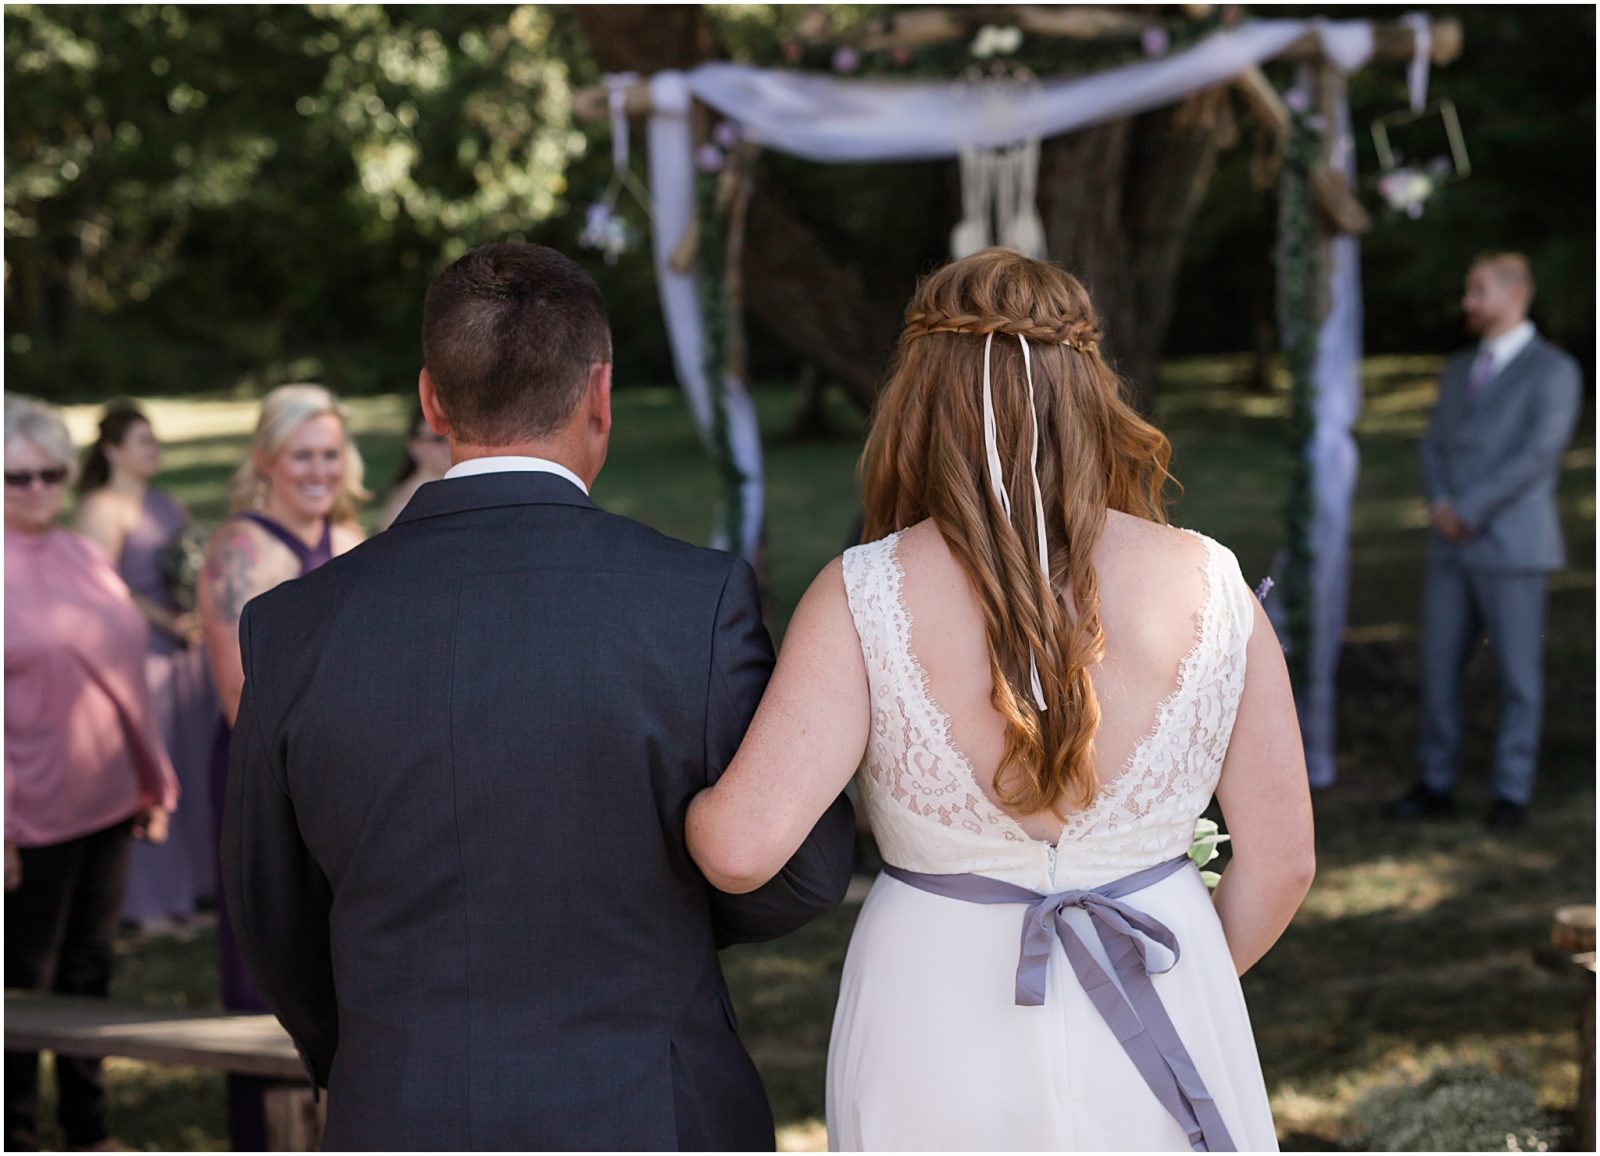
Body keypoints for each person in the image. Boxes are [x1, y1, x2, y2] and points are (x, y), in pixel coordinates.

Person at [221, 242, 855, 1150]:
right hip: (648, 1108)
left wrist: (375, 1053)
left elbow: (268, 911)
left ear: (433, 402)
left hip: (400, 1109)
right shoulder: (695, 601)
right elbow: (797, 873)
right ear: (600, 395)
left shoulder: (291, 625)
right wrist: (658, 912)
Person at [687, 249, 1316, 1151]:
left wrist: (671, 788)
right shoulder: (1210, 583)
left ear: (920, 403)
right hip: (1163, 982)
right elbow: (1285, 860)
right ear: (1091, 393)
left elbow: (742, 848)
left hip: (933, 1013)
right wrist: (1180, 976)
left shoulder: (863, 593)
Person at [4, 395, 179, 1152]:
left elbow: (125, 674)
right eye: (16, 478)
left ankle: (88, 1128)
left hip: (106, 798)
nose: (37, 489)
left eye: (50, 473)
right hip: (28, 815)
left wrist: (151, 778)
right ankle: (15, 1128)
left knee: (90, 973)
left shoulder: (79, 551)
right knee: (21, 990)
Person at [198, 382, 367, 1149]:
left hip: (345, 775)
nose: (318, 470)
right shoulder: (240, 549)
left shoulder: (352, 535)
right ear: (267, 457)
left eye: (330, 453)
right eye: (302, 454)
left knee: (347, 951)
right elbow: (241, 698)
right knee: (271, 944)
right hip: (266, 777)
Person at [1387, 253, 1582, 830]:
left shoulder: (1554, 371)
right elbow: (1432, 445)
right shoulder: (1457, 368)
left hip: (1514, 545)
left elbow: (1537, 456)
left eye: (1478, 291)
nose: (1468, 302)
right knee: (1439, 668)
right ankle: (1435, 781)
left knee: (1519, 676)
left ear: (1515, 292)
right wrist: (1442, 504)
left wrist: (1466, 509)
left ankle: (1510, 790)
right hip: (1451, 546)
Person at [74, 403, 219, 930]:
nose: (154, 450)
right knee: (155, 776)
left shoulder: (169, 503)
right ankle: (150, 902)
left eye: (156, 440)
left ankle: (198, 886)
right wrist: (165, 620)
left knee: (193, 767)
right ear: (112, 450)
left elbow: (191, 562)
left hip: (186, 651)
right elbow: (101, 586)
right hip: (143, 652)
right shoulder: (100, 507)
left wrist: (196, 610)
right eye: (143, 442)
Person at [380, 400, 452, 529]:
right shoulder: (405, 505)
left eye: (455, 436)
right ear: (414, 446)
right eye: (438, 439)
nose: (449, 445)